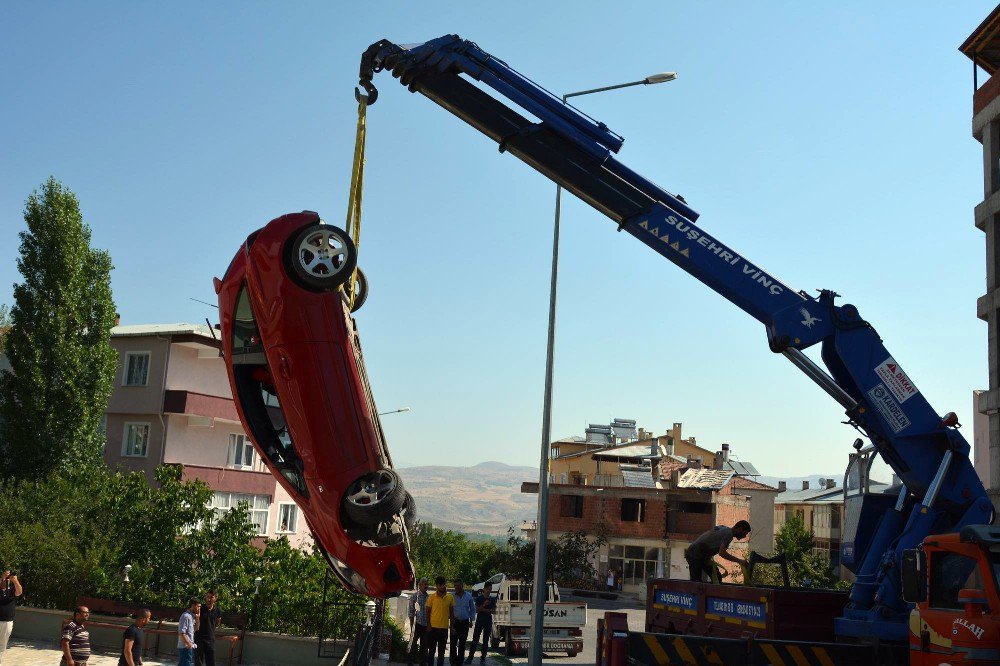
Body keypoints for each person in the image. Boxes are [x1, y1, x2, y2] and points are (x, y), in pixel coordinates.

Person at [684, 520, 752, 582]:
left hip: (702, 556)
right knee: (696, 582)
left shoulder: (725, 529)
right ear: (739, 529)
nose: (745, 536)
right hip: (694, 555)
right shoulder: (728, 534)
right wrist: (739, 561)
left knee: (717, 577)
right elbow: (722, 553)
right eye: (745, 533)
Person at [424, 576, 454, 666]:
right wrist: (428, 625)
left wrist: (451, 627)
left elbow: (452, 614)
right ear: (436, 586)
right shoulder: (431, 597)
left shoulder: (450, 597)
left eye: (443, 585)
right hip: (433, 628)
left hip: (444, 629)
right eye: (440, 585)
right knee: (431, 651)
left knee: (441, 653)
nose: (442, 587)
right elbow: (427, 613)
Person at [465, 582, 496, 665]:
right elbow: (477, 610)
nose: (489, 591)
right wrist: (484, 605)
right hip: (480, 621)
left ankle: (483, 659)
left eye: (490, 589)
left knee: (486, 641)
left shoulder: (492, 599)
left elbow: (494, 611)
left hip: (488, 621)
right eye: (488, 589)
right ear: (484, 589)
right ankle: (470, 658)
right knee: (475, 640)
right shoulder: (479, 599)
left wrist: (486, 610)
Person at [449, 579, 475, 665]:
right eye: (455, 586)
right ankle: (453, 662)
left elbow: (472, 608)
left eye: (458, 586)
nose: (456, 587)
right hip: (454, 622)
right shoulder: (451, 596)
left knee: (462, 644)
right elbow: (449, 610)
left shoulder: (468, 596)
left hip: (464, 623)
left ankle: (460, 662)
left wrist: (471, 620)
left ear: (462, 586)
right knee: (453, 643)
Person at [0, 568, 22, 665]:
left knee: (2, 646)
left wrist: (15, 580)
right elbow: (2, 585)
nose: (7, 578)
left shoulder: (13, 589)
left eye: (8, 576)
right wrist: (3, 579)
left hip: (7, 621)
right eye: (5, 575)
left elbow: (19, 592)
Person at [195, 589, 222, 666]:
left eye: (211, 597)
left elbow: (218, 621)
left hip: (210, 639)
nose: (209, 599)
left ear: (215, 598)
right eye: (207, 597)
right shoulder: (201, 608)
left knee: (211, 662)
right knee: (198, 662)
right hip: (199, 638)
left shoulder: (217, 610)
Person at [407, 578, 430, 666]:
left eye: (427, 584)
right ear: (419, 585)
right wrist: (412, 625)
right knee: (413, 644)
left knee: (424, 645)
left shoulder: (429, 598)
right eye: (424, 584)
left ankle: (422, 662)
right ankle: (410, 661)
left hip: (426, 625)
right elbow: (411, 612)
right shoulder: (414, 597)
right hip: (416, 625)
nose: (426, 586)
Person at [177, 597, 202, 666]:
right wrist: (189, 644)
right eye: (198, 606)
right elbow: (182, 632)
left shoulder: (192, 616)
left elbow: (196, 629)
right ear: (193, 606)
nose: (199, 608)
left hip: (188, 647)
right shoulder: (186, 616)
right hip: (185, 647)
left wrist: (197, 618)